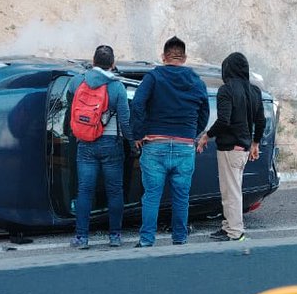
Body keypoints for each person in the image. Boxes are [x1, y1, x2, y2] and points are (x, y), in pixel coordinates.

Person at [129, 36, 210, 247]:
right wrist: (193, 132)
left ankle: (147, 240)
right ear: (184, 57)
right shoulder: (196, 80)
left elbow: (137, 104)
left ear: (164, 56)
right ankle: (180, 239)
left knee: (152, 197)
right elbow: (205, 110)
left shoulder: (153, 77)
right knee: (181, 197)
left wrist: (138, 134)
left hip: (155, 145)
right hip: (185, 146)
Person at [196, 52, 266, 241]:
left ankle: (235, 233)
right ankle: (228, 227)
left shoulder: (226, 90)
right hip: (242, 149)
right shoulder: (255, 91)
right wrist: (255, 143)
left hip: (230, 149)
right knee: (230, 190)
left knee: (231, 192)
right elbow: (261, 121)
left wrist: (206, 136)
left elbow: (224, 120)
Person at [66, 45, 131, 248]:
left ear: (93, 62)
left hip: (85, 143)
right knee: (114, 191)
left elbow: (70, 104)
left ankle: (82, 238)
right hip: (111, 144)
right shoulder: (117, 87)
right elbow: (125, 120)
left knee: (84, 190)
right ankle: (115, 236)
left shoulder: (78, 81)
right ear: (113, 64)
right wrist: (133, 143)